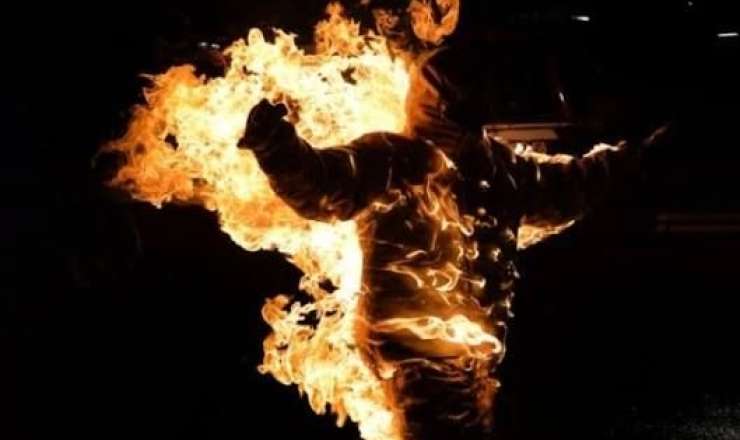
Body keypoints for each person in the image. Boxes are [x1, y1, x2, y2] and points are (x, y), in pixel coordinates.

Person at [237, 46, 659, 439]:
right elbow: (322, 185)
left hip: (475, 359)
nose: (464, 114)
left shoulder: (495, 167)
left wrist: (636, 157)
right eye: (456, 103)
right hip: (414, 358)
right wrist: (278, 148)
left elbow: (569, 187)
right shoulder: (393, 160)